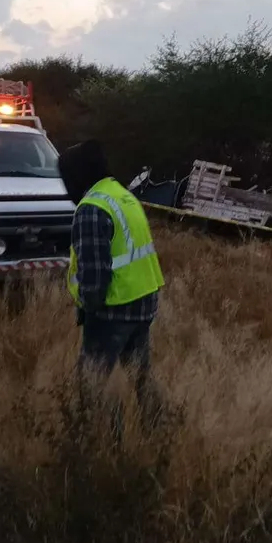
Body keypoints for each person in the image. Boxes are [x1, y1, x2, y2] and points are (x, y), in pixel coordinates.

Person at [58, 140, 165, 423]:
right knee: (140, 376)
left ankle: (99, 441)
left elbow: (95, 274)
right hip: (143, 301)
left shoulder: (91, 208)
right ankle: (160, 432)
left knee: (91, 383)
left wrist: (88, 308)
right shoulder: (121, 195)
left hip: (113, 309)